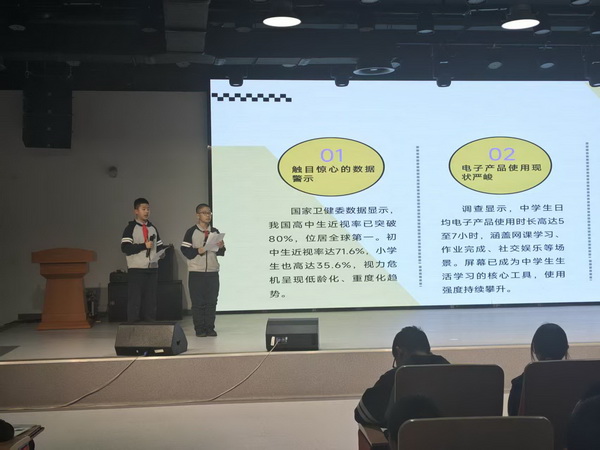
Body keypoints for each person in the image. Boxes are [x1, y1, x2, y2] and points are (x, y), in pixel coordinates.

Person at [354, 326, 449, 428]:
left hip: (408, 437)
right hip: (451, 436)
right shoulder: (453, 372)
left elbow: (362, 415)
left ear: (400, 352)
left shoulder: (397, 376)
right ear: (428, 350)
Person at [180, 203, 225, 337]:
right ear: (197, 215)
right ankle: (199, 329)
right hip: (196, 272)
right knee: (198, 302)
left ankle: (210, 328)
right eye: (204, 213)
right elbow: (185, 250)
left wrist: (221, 246)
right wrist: (198, 250)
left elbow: (221, 252)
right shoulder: (191, 231)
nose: (208, 215)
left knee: (212, 301)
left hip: (212, 271)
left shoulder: (215, 231)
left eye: (209, 212)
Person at [507, 322, 569, 416]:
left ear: (535, 349)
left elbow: (514, 418)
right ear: (566, 349)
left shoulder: (520, 384)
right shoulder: (578, 381)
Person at [120, 198, 165, 322]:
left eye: (148, 209)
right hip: (136, 269)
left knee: (151, 300)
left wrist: (161, 254)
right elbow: (125, 248)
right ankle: (133, 326)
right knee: (135, 300)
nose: (146, 212)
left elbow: (159, 246)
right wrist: (143, 246)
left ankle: (150, 325)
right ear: (136, 211)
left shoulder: (153, 228)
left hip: (152, 269)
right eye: (143, 209)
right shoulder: (130, 228)